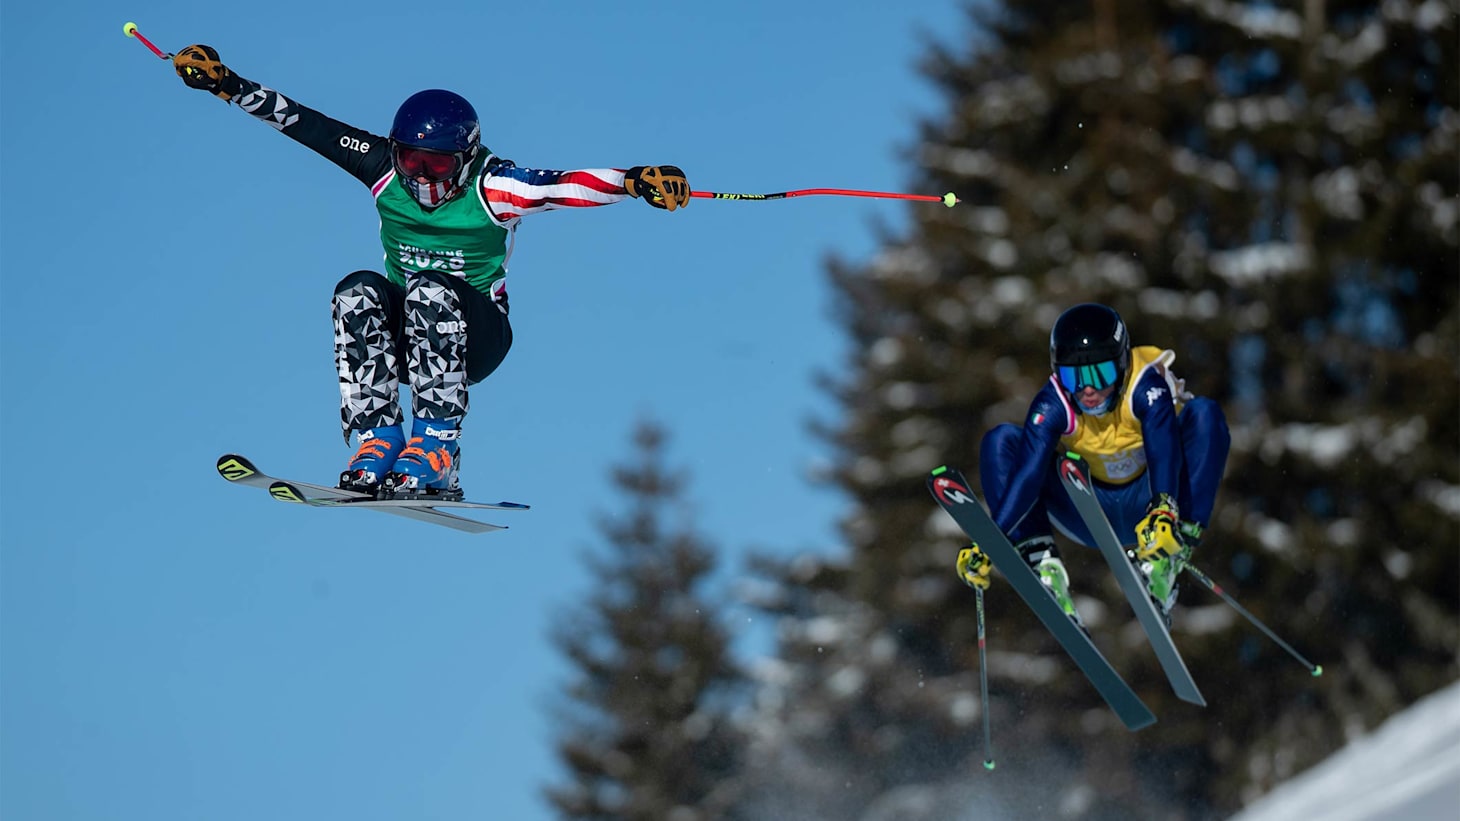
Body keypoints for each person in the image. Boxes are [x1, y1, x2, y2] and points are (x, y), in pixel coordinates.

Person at [171, 45, 691, 497]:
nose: (421, 177)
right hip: (409, 342)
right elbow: (306, 124)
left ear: (465, 157)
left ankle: (438, 448)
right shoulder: (381, 168)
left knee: (430, 290)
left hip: (477, 339)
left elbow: (563, 185)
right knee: (356, 290)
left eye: (437, 165)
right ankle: (378, 439)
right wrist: (227, 84)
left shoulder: (494, 186)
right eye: (410, 161)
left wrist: (632, 181)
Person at [953, 303, 1231, 627]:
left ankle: (1166, 561)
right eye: (1073, 377)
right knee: (1001, 440)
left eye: (1101, 375)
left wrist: (1164, 507)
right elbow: (1027, 473)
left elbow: (1164, 449)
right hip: (1089, 512)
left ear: (1122, 364)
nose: (1088, 389)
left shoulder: (1144, 385)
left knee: (1205, 414)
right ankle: (1042, 563)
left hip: (1150, 508)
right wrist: (991, 541)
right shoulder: (1055, 402)